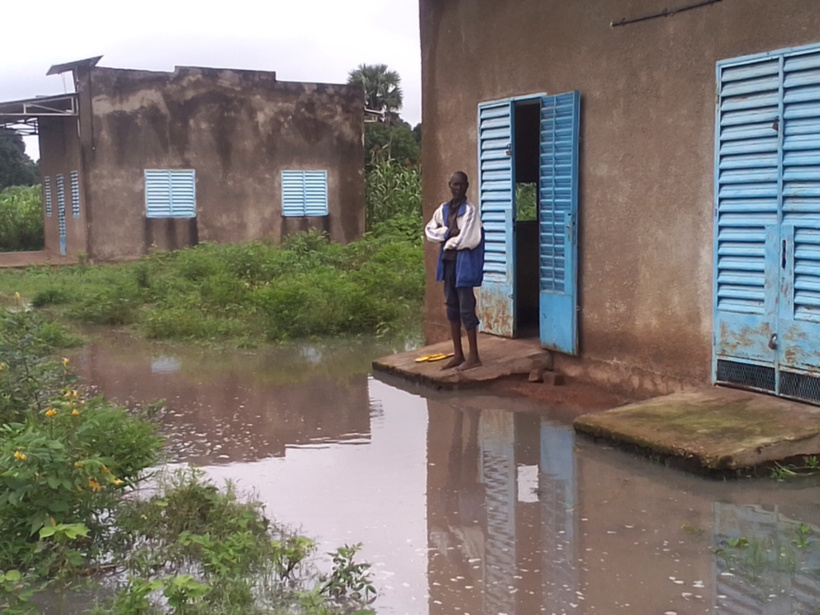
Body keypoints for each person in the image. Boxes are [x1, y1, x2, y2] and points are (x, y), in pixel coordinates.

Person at [425, 171, 484, 371]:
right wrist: (449, 232)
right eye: (454, 185)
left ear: (467, 186)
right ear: (449, 186)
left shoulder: (470, 211)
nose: (458, 188)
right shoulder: (442, 210)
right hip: (448, 264)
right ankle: (458, 354)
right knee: (452, 307)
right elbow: (430, 231)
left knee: (466, 307)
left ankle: (474, 356)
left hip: (464, 264)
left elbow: (467, 238)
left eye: (461, 185)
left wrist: (446, 240)